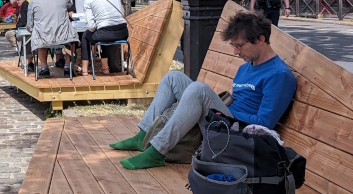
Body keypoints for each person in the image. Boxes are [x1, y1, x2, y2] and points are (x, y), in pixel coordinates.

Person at [111, 10, 297, 170]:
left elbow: (264, 125)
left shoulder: (279, 75)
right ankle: (142, 135)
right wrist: (218, 107)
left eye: (240, 46)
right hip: (224, 120)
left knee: (198, 90)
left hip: (240, 136)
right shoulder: (246, 67)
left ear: (260, 39)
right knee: (173, 78)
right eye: (234, 47)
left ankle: (157, 151)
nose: (236, 52)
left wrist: (221, 110)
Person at [27, 0, 79, 78]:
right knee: (72, 38)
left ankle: (45, 68)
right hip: (64, 37)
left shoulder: (33, 2)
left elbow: (29, 25)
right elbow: (70, 4)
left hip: (43, 38)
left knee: (39, 36)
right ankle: (67, 66)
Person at [79, 0, 129, 77]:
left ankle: (84, 70)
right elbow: (122, 12)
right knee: (102, 33)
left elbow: (91, 27)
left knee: (86, 35)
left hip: (105, 33)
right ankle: (105, 68)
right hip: (123, 32)